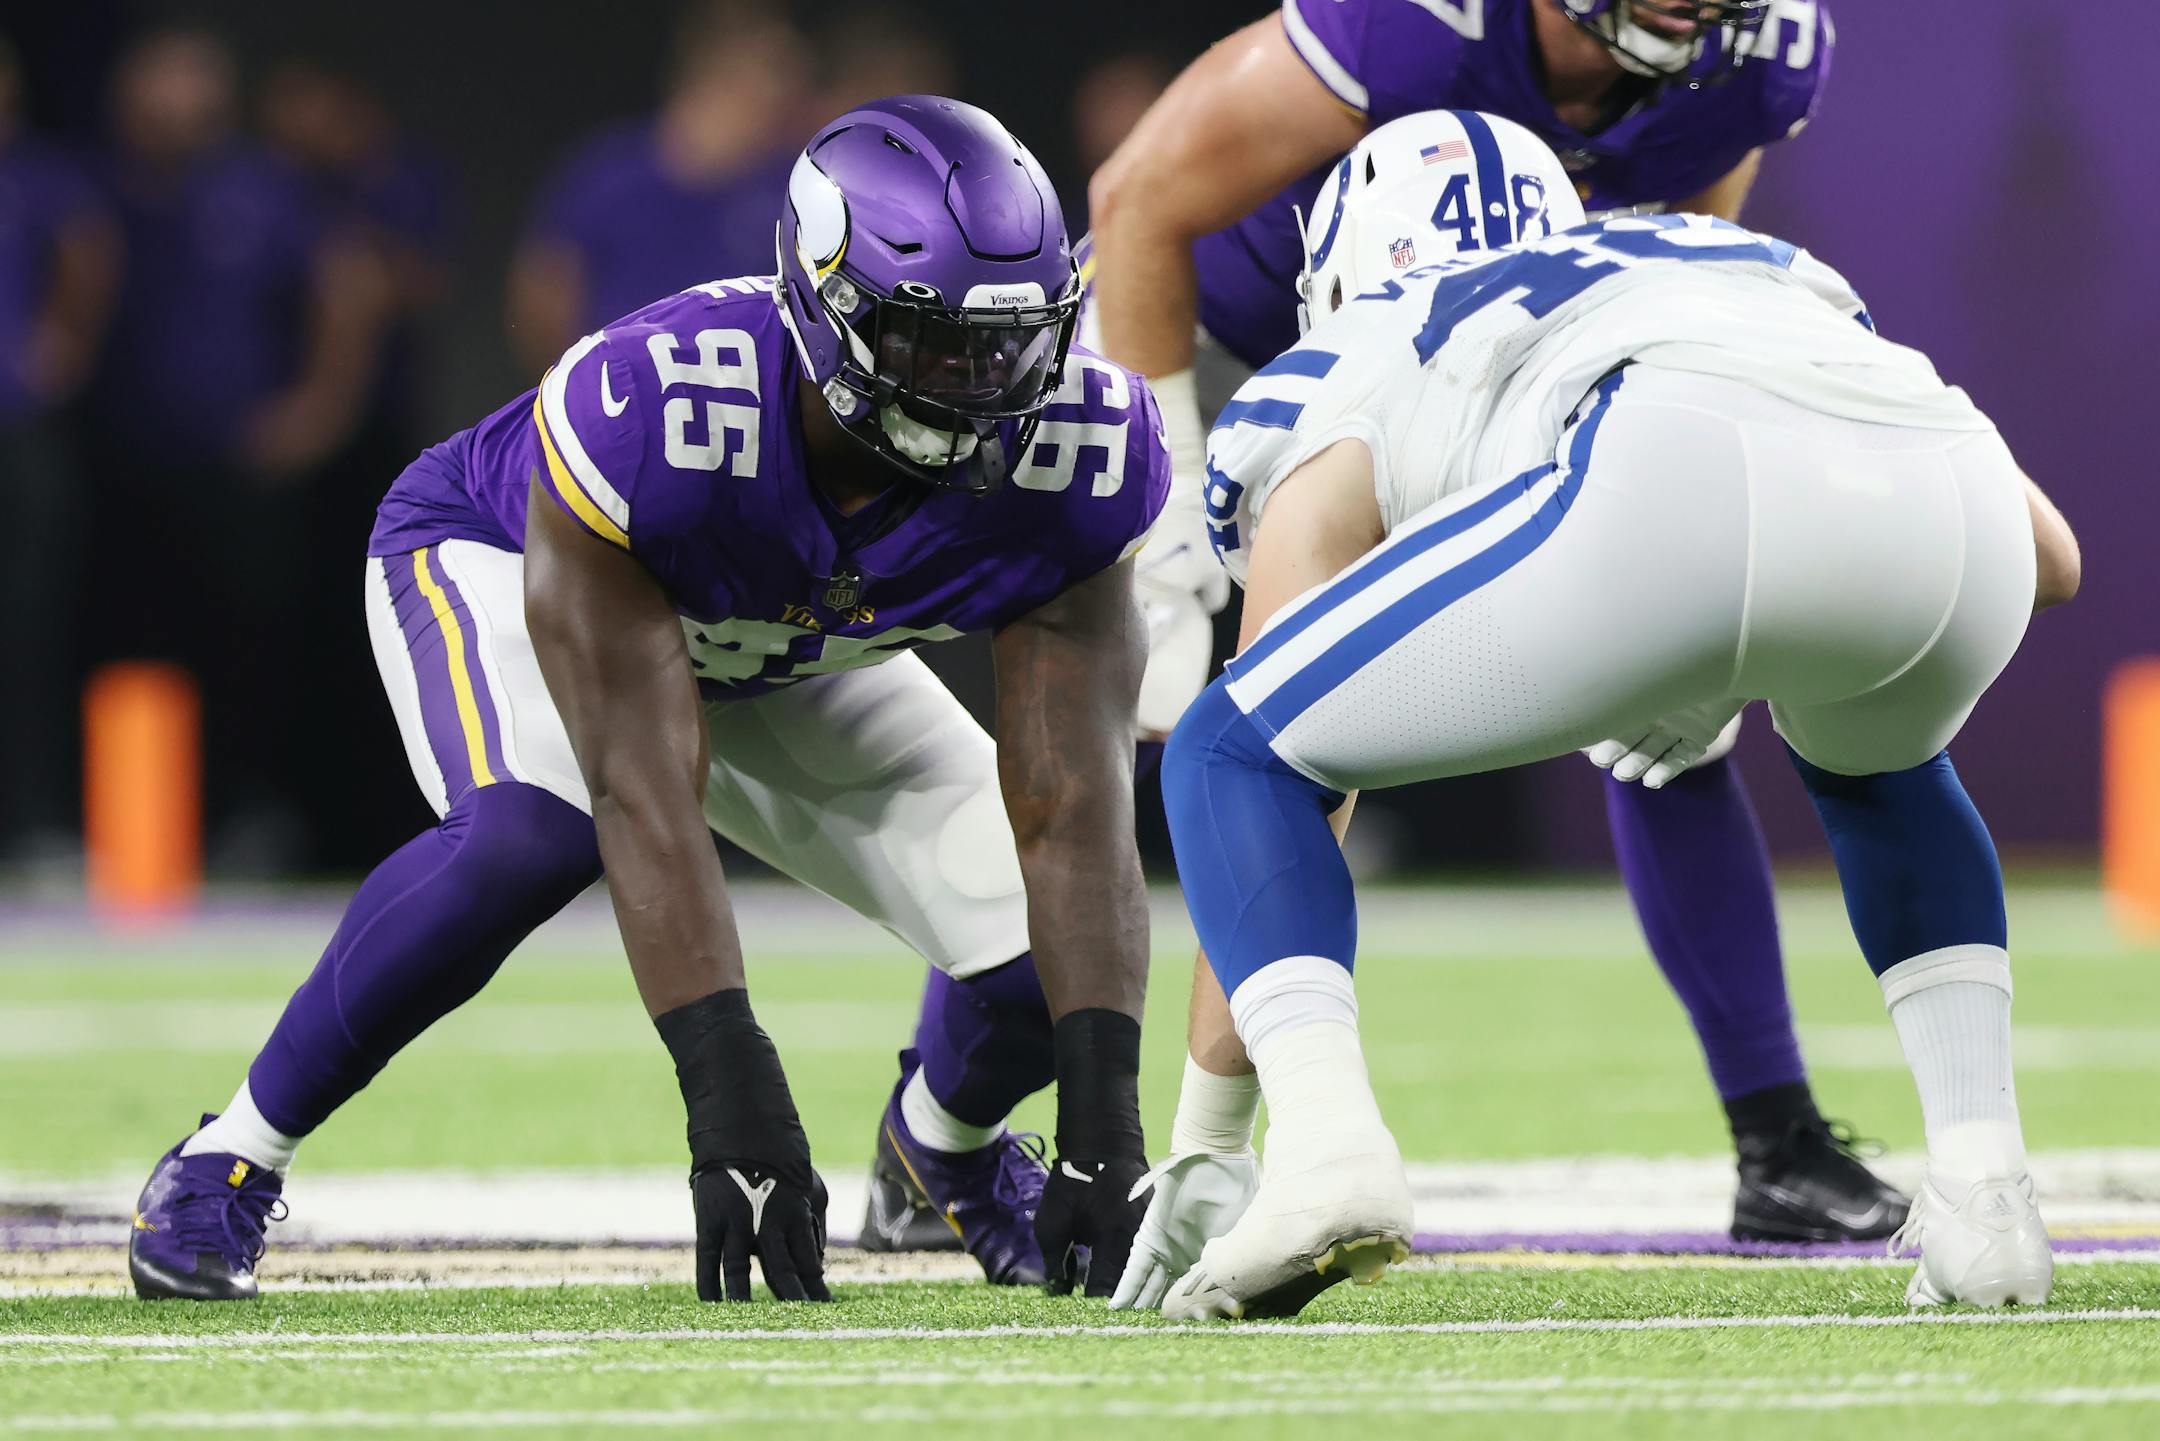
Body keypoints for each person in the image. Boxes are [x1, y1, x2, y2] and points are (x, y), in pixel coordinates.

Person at [128, 97, 1163, 1304]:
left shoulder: (1082, 449)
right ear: (824, 304)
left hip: (785, 639)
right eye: (936, 344)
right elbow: (639, 789)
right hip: (506, 562)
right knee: (527, 834)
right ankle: (227, 1160)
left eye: (1011, 345)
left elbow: (1073, 804)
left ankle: (942, 1156)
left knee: (1041, 949)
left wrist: (1107, 1113)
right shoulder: (664, 410)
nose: (982, 385)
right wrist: (729, 1087)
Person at [1117, 111, 2073, 1318]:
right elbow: (2052, 559)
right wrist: (1732, 640)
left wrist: (1210, 1136)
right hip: (1956, 503)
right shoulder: (1718, 254)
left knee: (1227, 750)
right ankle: (1988, 1200)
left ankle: (1323, 1155)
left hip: (1659, 469)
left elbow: (1281, 752)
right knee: (1884, 761)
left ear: (1350, 263)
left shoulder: (1363, 338)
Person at [1087, 0, 1901, 1242]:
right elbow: (1139, 199)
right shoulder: (1409, 29)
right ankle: (1004, 1130)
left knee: (1671, 704)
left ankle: (1776, 1135)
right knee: (1144, 702)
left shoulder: (1758, 56)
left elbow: (1684, 279)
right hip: (1233, 340)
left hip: (1518, 358)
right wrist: (1171, 532)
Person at [84, 28, 393, 873]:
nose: (176, 104)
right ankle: (116, 832)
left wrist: (319, 410)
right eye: (161, 84)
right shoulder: (98, 188)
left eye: (194, 85)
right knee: (119, 647)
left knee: (249, 651)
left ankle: (251, 821)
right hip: (121, 463)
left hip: (239, 473)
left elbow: (348, 289)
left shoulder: (260, 190)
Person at [505, 2, 809, 377]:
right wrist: (595, 394)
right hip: (615, 405)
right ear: (718, 71)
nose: (790, 95)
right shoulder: (608, 172)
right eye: (775, 71)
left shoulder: (788, 190)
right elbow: (541, 302)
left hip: (740, 415)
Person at [0, 32, 119, 874]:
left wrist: (62, 347)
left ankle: (33, 822)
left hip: (18, 429)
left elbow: (89, 252)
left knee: (27, 630)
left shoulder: (37, 177)